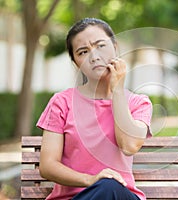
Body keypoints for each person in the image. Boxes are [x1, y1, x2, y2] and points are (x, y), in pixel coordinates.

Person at [37, 18, 152, 200]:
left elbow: (129, 146)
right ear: (76, 62)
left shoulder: (138, 103)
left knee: (108, 186)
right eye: (83, 52)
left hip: (118, 196)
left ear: (115, 47)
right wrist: (90, 180)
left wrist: (117, 90)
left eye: (101, 46)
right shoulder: (62, 102)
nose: (94, 56)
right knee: (103, 186)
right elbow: (48, 166)